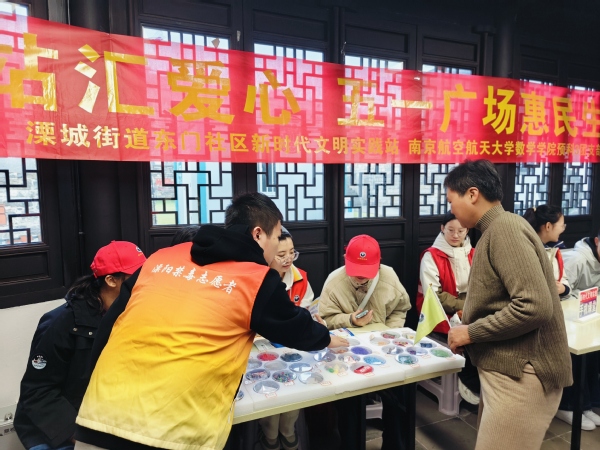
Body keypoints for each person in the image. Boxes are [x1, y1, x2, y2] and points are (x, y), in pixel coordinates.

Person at [74, 192, 347, 450]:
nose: (278, 246)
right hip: (174, 432)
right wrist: (327, 338)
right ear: (258, 234)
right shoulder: (256, 279)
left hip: (100, 417)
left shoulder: (160, 258)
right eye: (277, 237)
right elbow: (293, 327)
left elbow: (109, 327)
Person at [445, 160, 572, 450]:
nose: (451, 208)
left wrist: (471, 332)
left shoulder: (505, 229)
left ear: (472, 194)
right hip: (510, 370)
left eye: (452, 200)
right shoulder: (496, 228)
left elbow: (534, 306)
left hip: (523, 374)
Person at [14, 241, 146, 450]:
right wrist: (80, 436)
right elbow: (38, 392)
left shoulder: (129, 315)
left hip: (101, 420)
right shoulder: (62, 322)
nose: (144, 281)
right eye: (137, 276)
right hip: (54, 428)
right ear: (111, 280)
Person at [319, 234, 411, 450]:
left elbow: (401, 308)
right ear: (345, 259)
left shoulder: (389, 277)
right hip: (346, 352)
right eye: (356, 270)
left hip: (383, 350)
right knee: (349, 402)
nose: (360, 277)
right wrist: (350, 320)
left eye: (366, 270)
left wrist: (390, 334)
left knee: (400, 393)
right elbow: (325, 320)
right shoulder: (334, 282)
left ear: (379, 263)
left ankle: (394, 445)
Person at [257, 226, 314, 450]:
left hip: (292, 349)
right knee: (269, 392)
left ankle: (288, 431)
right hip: (262, 352)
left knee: (294, 388)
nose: (288, 259)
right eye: (281, 254)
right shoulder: (256, 279)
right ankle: (269, 435)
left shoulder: (300, 278)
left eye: (292, 252)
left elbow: (308, 309)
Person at [417, 212, 480, 405]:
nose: (455, 235)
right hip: (441, 312)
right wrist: (466, 307)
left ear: (467, 230)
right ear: (442, 228)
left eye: (460, 231)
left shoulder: (474, 253)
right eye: (451, 230)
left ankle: (486, 383)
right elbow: (434, 295)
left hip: (470, 307)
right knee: (472, 337)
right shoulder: (431, 256)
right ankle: (471, 381)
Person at [554, 228, 600, 429]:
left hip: (589, 317)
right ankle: (567, 406)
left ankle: (586, 404)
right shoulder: (578, 259)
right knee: (578, 355)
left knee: (593, 352)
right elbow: (562, 292)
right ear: (597, 241)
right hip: (568, 320)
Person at [523, 204, 571, 299]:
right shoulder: (527, 251)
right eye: (562, 226)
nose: (563, 229)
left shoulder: (555, 249)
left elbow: (563, 279)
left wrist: (564, 289)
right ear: (548, 226)